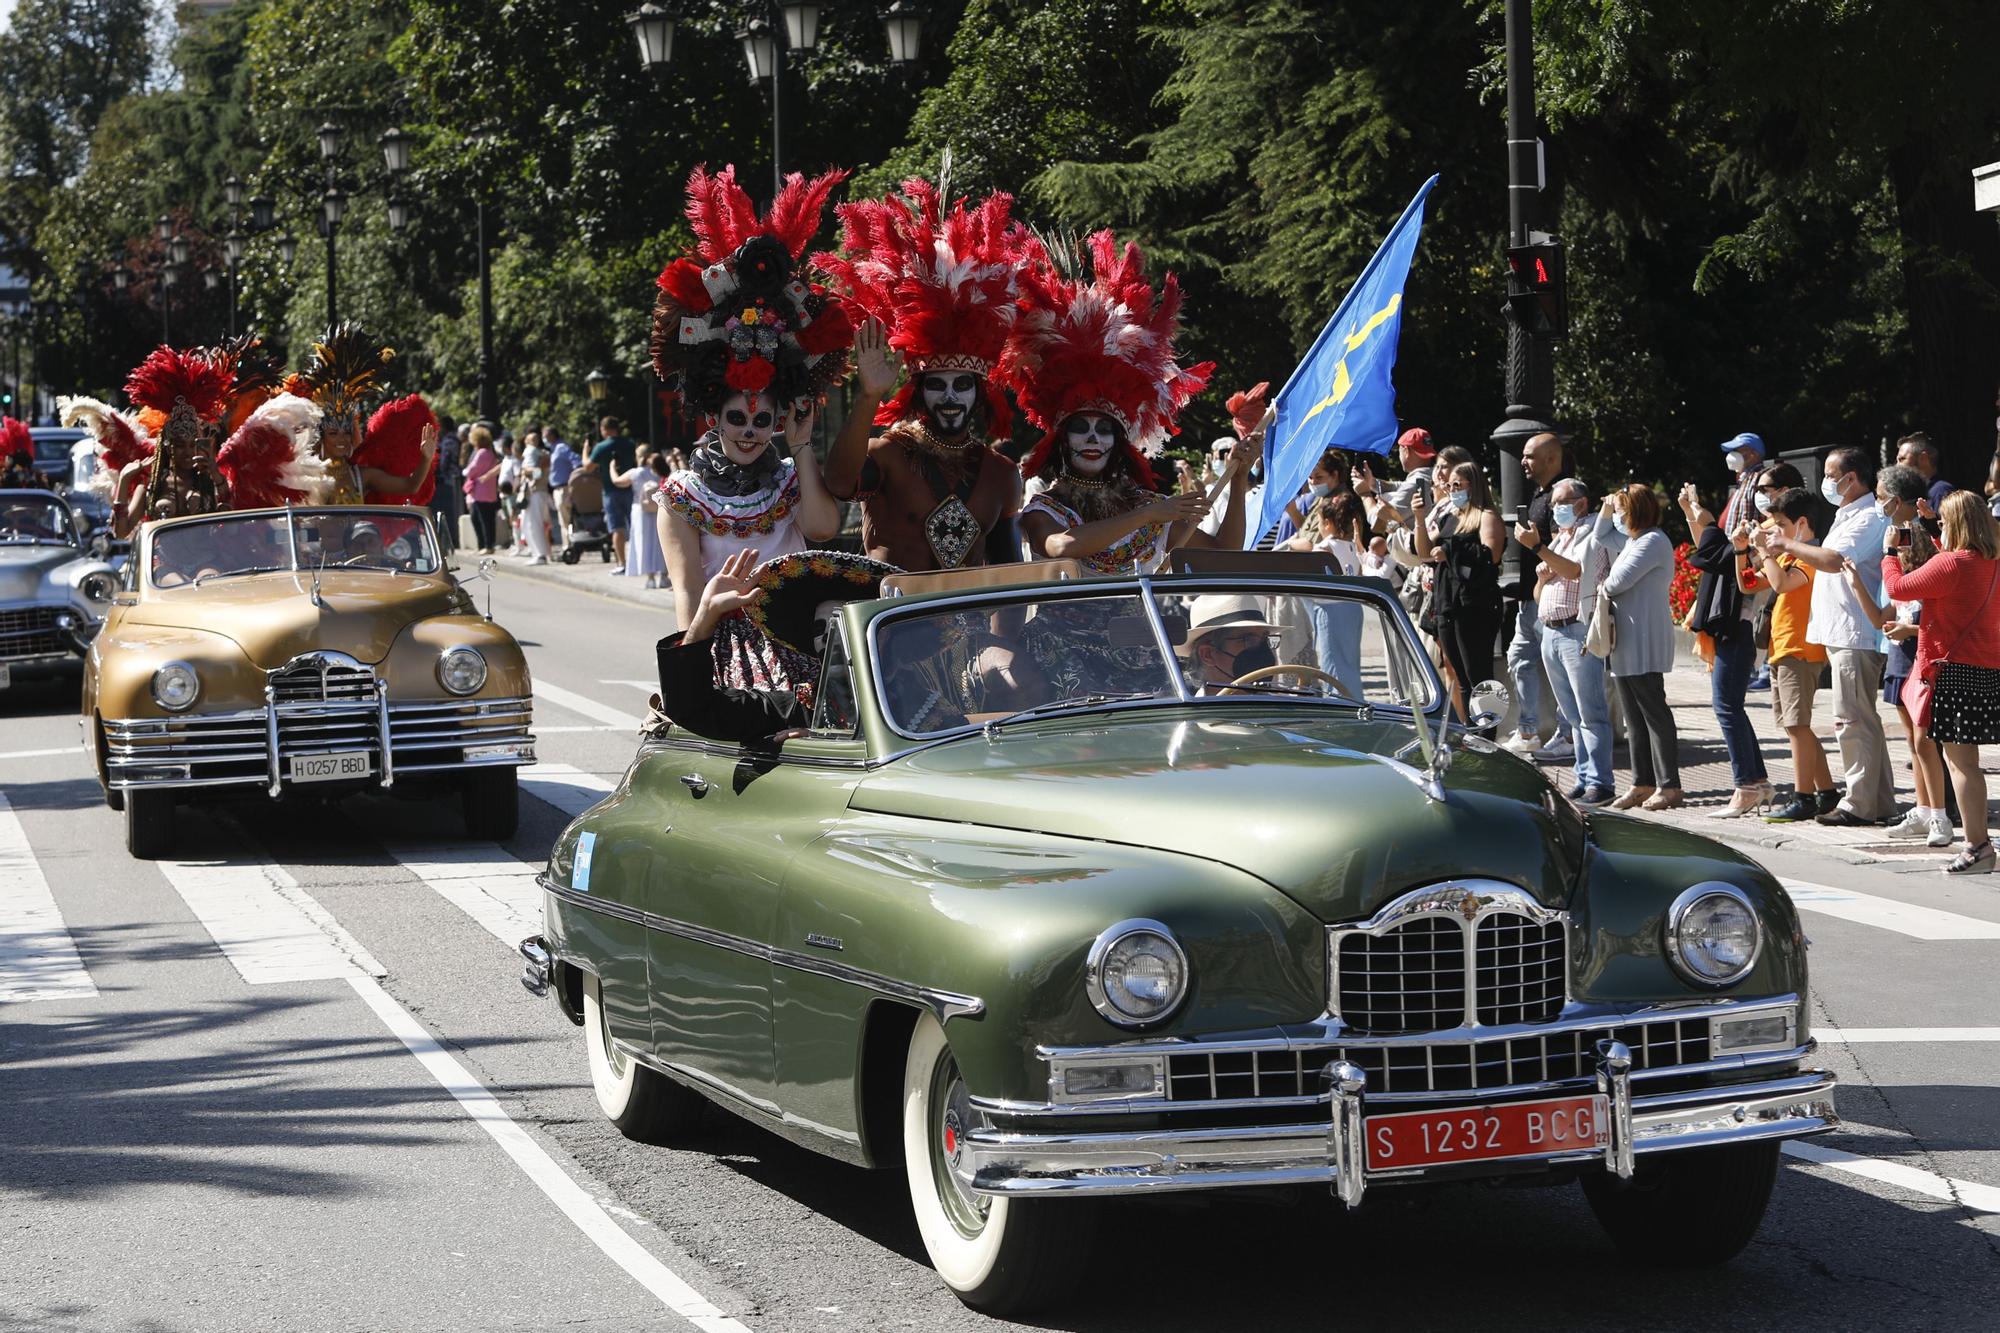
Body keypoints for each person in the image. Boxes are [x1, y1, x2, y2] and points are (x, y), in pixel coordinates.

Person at [647, 163, 852, 641]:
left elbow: (822, 529)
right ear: (715, 416)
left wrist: (801, 448)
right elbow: (686, 595)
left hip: (799, 644)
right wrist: (697, 648)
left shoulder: (787, 479)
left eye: (762, 421)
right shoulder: (683, 496)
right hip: (723, 651)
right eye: (737, 417)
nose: (749, 431)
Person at [817, 177, 1037, 571]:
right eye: (936, 385)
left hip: (968, 627)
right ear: (918, 392)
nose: (950, 397)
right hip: (891, 624)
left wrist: (1003, 637)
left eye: (961, 385)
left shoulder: (1001, 474)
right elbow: (837, 484)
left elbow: (1008, 570)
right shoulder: (887, 455)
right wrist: (869, 397)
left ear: (979, 393)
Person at [1013, 229, 1235, 576]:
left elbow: (1225, 554)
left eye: (1104, 429)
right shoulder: (1045, 509)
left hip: (1144, 632)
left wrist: (1237, 476)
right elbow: (1063, 545)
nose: (1092, 438)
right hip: (1060, 632)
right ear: (1062, 439)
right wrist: (1147, 516)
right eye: (1080, 428)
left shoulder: (1147, 507)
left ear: (1119, 441)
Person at [1764, 446, 1896, 825]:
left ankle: (1857, 805)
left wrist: (1786, 544)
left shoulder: (1867, 517)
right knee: (1861, 721)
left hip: (1854, 634)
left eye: (1831, 474)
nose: (1826, 482)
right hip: (1841, 633)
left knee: (1852, 723)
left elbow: (1835, 560)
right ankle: (1878, 802)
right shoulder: (1848, 514)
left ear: (1851, 478)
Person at [1882, 492, 2000, 873]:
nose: (1941, 529)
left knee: (1961, 763)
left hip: (1953, 672)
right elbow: (1951, 568)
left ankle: (1977, 845)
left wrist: (1889, 553)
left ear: (1959, 526)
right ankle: (1978, 842)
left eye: (1945, 523)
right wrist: (1934, 528)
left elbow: (1898, 588)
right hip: (1987, 669)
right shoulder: (1992, 562)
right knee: (1970, 763)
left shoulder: (1952, 564)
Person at [1844, 465, 1951, 845]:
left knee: (1925, 739)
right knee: (1913, 740)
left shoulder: (1924, 537)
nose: (1878, 501)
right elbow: (1891, 604)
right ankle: (1924, 809)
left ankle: (1939, 813)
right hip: (1900, 648)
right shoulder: (1899, 534)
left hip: (1923, 649)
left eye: (1881, 494)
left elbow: (1917, 592)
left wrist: (1912, 628)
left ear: (1899, 500)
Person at [1519, 477, 1614, 804]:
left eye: (1560, 502)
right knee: (1572, 716)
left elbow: (1575, 571)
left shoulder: (1592, 533)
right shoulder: (1562, 537)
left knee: (1590, 713)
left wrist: (1536, 547)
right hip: (1551, 630)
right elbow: (1541, 589)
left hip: (1577, 630)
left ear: (1581, 503)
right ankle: (1584, 776)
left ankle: (1601, 783)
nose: (1553, 509)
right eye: (1552, 504)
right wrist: (1542, 579)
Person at [1680, 478, 1771, 816]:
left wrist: (1746, 548)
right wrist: (1691, 508)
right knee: (1732, 708)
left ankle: (1746, 785)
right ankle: (1757, 782)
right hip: (1731, 634)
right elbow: (1707, 537)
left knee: (1726, 708)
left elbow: (1714, 543)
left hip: (1739, 633)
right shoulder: (1727, 545)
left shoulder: (1760, 545)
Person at [1745, 487, 1836, 823]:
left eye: (1781, 524)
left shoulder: (1810, 557)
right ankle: (1825, 792)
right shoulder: (1784, 555)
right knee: (1796, 727)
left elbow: (1782, 584)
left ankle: (1804, 796)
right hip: (1781, 648)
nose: (1776, 531)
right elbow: (1749, 584)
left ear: (1801, 524)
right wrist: (1746, 550)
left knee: (1798, 725)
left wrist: (1765, 551)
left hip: (1801, 649)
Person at [1599, 484, 1682, 810]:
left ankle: (1669, 785)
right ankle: (1642, 782)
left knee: (1653, 712)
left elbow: (1616, 582)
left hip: (1645, 637)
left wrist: (1600, 584)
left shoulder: (1652, 541)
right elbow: (1601, 537)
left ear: (1635, 509)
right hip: (1626, 641)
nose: (1617, 515)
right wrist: (1606, 511)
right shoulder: (1633, 541)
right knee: (1633, 717)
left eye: (1621, 509)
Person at [291, 322, 439, 506]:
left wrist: (426, 457)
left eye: (346, 432)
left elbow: (410, 486)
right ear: (320, 436)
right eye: (333, 433)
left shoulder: (362, 476)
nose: (342, 439)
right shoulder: (304, 474)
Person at [1413, 460, 1505, 721]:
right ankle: (1471, 731)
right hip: (1447, 605)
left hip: (1474, 607)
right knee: (1462, 678)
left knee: (1479, 676)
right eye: (1449, 485)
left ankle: (1488, 733)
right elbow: (1423, 554)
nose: (1451, 490)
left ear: (1472, 486)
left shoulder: (1486, 516)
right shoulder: (1449, 517)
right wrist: (1420, 518)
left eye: (1457, 485)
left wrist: (1450, 551)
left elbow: (1491, 555)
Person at [1500, 432, 1572, 759]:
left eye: (1530, 456)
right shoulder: (1540, 494)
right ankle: (1528, 731)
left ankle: (1568, 734)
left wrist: (1535, 544)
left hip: (1554, 598)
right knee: (1519, 659)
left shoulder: (1563, 494)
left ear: (1552, 459)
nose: (1524, 462)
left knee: (1559, 668)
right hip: (1531, 598)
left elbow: (1567, 549)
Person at [1181, 594, 1288, 693]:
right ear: (1207, 654)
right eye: (1250, 640)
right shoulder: (1188, 712)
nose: (1264, 650)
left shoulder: (1284, 710)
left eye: (1265, 639)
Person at [582, 416, 638, 572]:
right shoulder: (629, 444)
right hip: (629, 489)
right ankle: (640, 561)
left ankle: (622, 564)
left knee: (617, 528)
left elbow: (587, 467)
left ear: (603, 429)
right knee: (635, 526)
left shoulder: (601, 447)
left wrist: (585, 450)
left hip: (610, 491)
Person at [618, 448, 668, 587]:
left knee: (645, 543)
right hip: (658, 509)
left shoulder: (636, 472)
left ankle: (650, 578)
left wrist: (611, 467)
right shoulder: (659, 470)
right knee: (660, 543)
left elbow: (617, 481)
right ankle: (663, 576)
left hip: (641, 511)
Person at [462, 425, 503, 554]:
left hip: (481, 492)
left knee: (482, 519)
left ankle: (487, 545)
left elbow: (472, 470)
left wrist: (465, 471)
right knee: (484, 519)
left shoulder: (482, 453)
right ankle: (484, 545)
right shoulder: (490, 452)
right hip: (486, 491)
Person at [1895, 432, 1954, 514]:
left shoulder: (1940, 492)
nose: (1897, 466)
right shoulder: (1917, 494)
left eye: (1902, 459)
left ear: (1923, 458)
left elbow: (1947, 526)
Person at [520, 432, 554, 564]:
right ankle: (537, 553)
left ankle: (541, 555)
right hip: (532, 493)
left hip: (538, 492)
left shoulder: (543, 455)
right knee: (526, 524)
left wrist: (525, 471)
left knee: (535, 524)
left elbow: (537, 473)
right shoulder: (535, 454)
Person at [431, 415, 463, 554]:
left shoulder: (449, 441)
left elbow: (445, 460)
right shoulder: (453, 439)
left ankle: (451, 539)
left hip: (449, 479)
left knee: (449, 511)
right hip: (452, 478)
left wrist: (439, 473)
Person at [549, 428, 579, 545]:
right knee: (566, 521)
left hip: (564, 488)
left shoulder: (561, 447)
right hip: (558, 489)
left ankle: (569, 545)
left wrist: (574, 477)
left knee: (566, 521)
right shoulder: (553, 449)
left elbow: (576, 460)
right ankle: (569, 544)